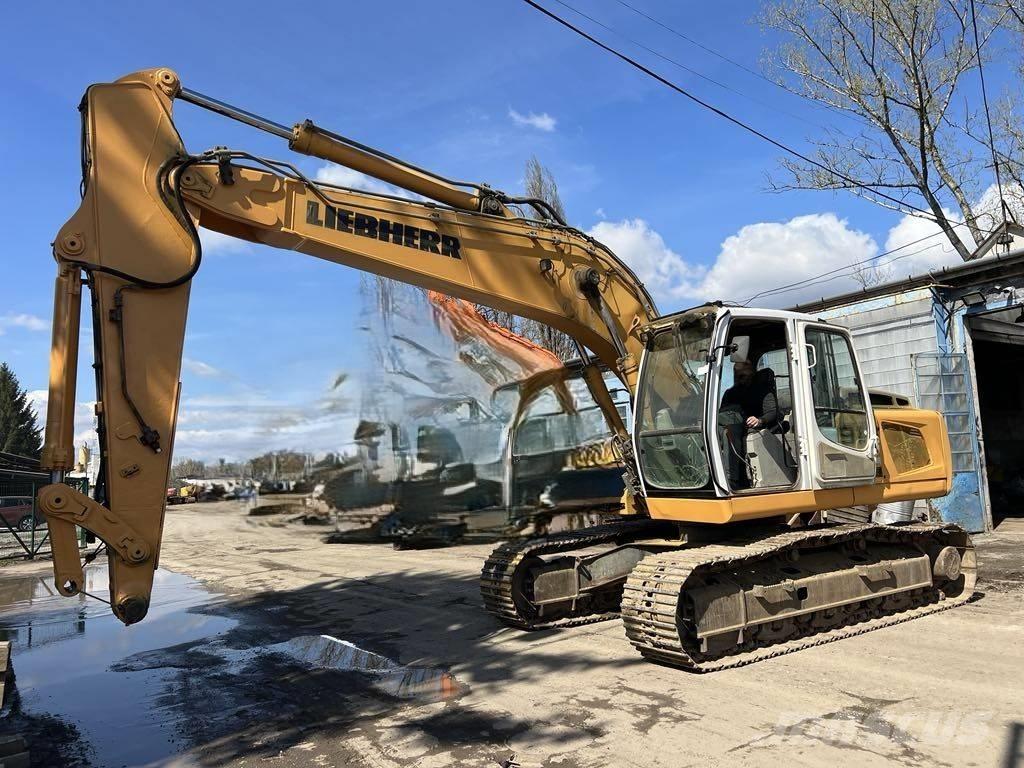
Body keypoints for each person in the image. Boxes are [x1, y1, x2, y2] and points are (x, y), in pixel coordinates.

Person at [719, 360, 779, 488]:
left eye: (743, 376)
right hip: (733, 422)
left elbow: (772, 412)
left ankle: (731, 479)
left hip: (754, 424)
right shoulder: (730, 393)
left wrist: (759, 420)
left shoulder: (763, 390)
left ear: (752, 373)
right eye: (737, 375)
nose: (740, 379)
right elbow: (723, 412)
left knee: (729, 432)